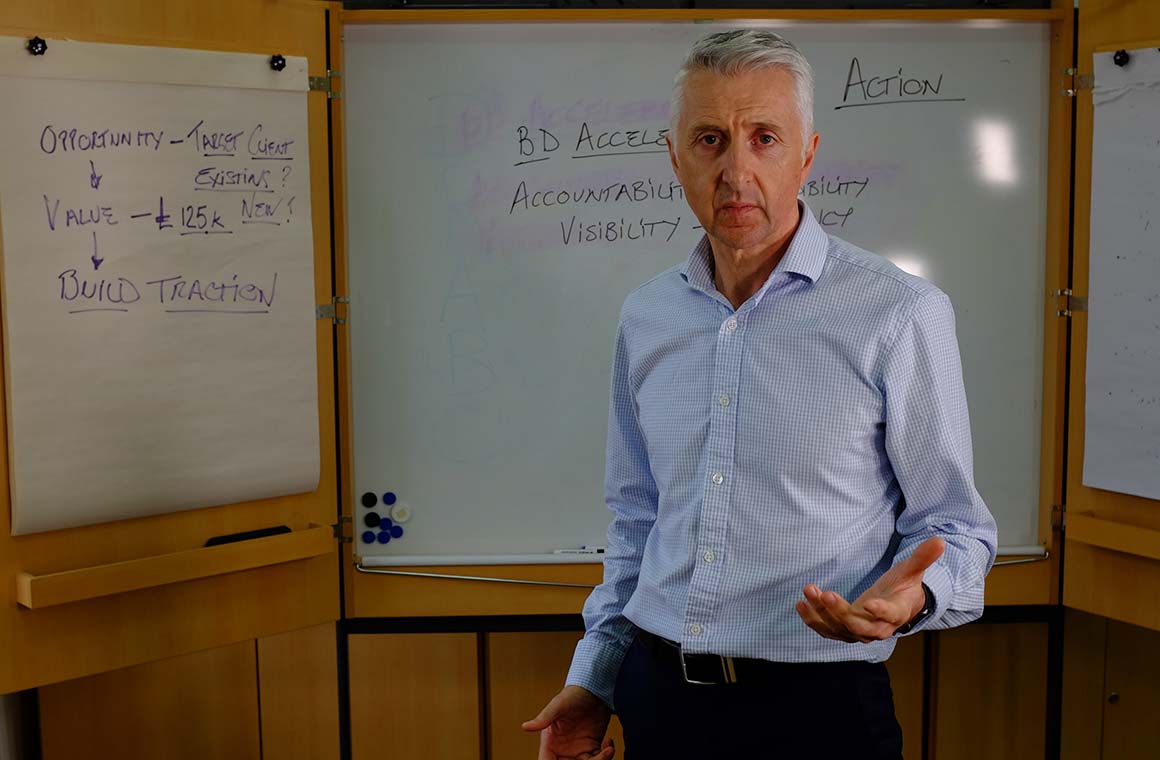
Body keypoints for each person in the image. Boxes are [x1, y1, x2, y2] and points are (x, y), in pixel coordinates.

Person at [522, 29, 998, 760]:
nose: (735, 170)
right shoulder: (647, 316)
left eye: (764, 138)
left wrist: (910, 602)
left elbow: (958, 530)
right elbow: (637, 524)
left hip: (820, 709)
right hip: (660, 699)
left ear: (807, 153)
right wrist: (597, 681)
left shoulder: (899, 313)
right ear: (675, 157)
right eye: (710, 140)